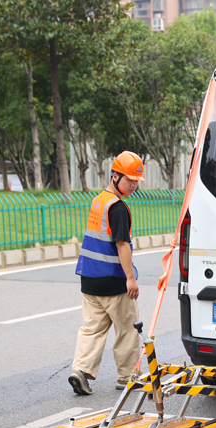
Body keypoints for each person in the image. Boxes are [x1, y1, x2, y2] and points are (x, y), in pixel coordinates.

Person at [69, 151, 144, 395]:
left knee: (92, 329)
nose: (133, 185)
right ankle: (127, 376)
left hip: (89, 279)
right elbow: (122, 245)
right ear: (115, 176)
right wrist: (130, 279)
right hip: (113, 280)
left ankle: (80, 370)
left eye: (136, 181)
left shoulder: (99, 200)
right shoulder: (119, 208)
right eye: (129, 180)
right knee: (127, 329)